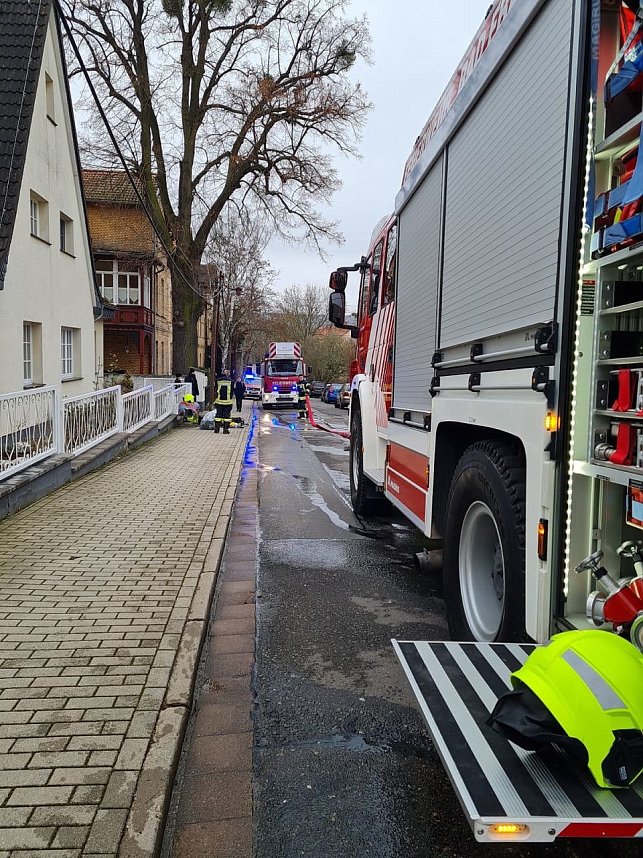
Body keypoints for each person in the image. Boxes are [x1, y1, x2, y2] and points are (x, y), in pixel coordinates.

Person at [214, 369, 234, 434]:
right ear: (228, 374)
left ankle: (217, 429)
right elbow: (232, 391)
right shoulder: (231, 381)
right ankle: (225, 429)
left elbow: (216, 389)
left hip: (219, 401)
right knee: (227, 416)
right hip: (228, 402)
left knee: (218, 415)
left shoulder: (218, 380)